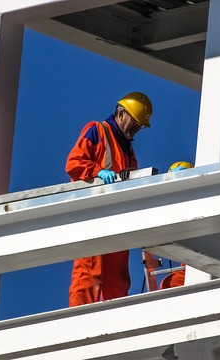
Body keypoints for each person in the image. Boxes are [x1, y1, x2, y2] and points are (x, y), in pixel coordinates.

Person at [65, 92, 153, 307]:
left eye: (140, 125)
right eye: (135, 122)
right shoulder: (97, 130)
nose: (137, 128)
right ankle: (79, 323)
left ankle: (115, 323)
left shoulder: (129, 150)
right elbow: (74, 163)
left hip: (116, 220)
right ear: (122, 114)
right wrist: (97, 172)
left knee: (118, 280)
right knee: (88, 274)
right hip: (92, 216)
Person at [158, 161, 194, 289]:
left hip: (218, 266)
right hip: (190, 267)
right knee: (169, 285)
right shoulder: (174, 211)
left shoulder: (203, 205)